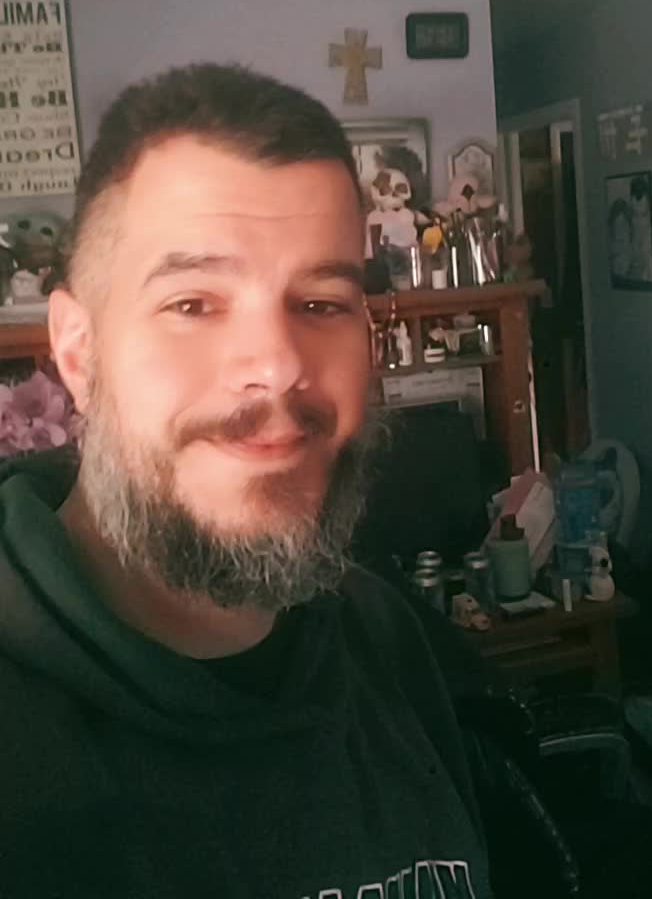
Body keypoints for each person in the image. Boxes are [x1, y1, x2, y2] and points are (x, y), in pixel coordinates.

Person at [0, 64, 491, 899]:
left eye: (322, 304)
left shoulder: (393, 642)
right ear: (78, 352)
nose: (278, 366)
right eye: (193, 304)